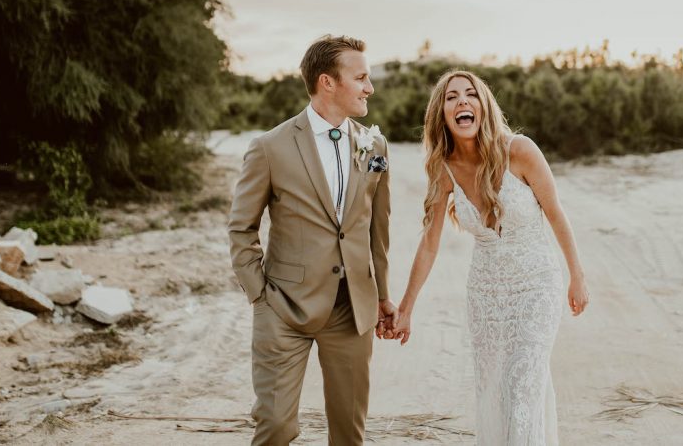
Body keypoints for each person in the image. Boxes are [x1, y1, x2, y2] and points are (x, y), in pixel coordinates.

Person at [392, 69, 589, 445]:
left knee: (524, 383)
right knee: (494, 390)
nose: (462, 101)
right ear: (442, 113)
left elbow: (556, 213)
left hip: (536, 286)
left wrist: (577, 277)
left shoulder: (520, 151)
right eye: (452, 97)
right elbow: (429, 242)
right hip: (486, 295)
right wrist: (406, 307)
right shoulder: (444, 167)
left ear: (483, 106)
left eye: (471, 94)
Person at [227, 35, 397, 445]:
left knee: (348, 433)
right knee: (275, 427)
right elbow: (241, 228)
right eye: (360, 78)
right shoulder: (269, 147)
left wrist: (382, 296)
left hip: (351, 309)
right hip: (284, 309)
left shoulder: (374, 144)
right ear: (328, 82)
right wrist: (260, 298)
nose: (369, 87)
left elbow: (378, 230)